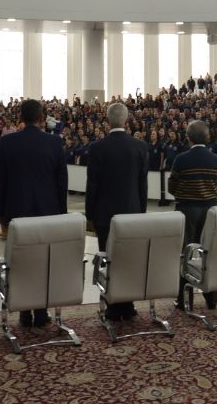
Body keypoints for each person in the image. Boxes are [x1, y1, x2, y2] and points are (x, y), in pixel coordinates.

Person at [0, 99, 68, 327]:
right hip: (47, 213)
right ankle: (41, 311)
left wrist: (2, 215)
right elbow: (61, 183)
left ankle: (24, 311)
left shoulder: (7, 143)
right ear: (41, 117)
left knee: (20, 262)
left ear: (21, 118)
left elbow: (0, 181)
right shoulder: (54, 143)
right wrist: (61, 214)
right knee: (43, 262)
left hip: (17, 212)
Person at [86, 102, 148, 322]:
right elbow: (142, 186)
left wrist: (89, 215)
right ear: (126, 120)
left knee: (108, 258)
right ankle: (128, 304)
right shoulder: (139, 147)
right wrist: (141, 212)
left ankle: (112, 305)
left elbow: (92, 185)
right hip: (131, 212)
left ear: (107, 120)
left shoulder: (96, 148)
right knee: (129, 259)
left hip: (104, 214)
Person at [169, 121, 217, 311]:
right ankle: (212, 297)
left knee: (185, 254)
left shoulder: (181, 159)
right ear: (207, 138)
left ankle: (184, 299)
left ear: (188, 137)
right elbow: (216, 185)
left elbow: (171, 187)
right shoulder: (216, 159)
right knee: (209, 253)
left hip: (186, 211)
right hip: (210, 210)